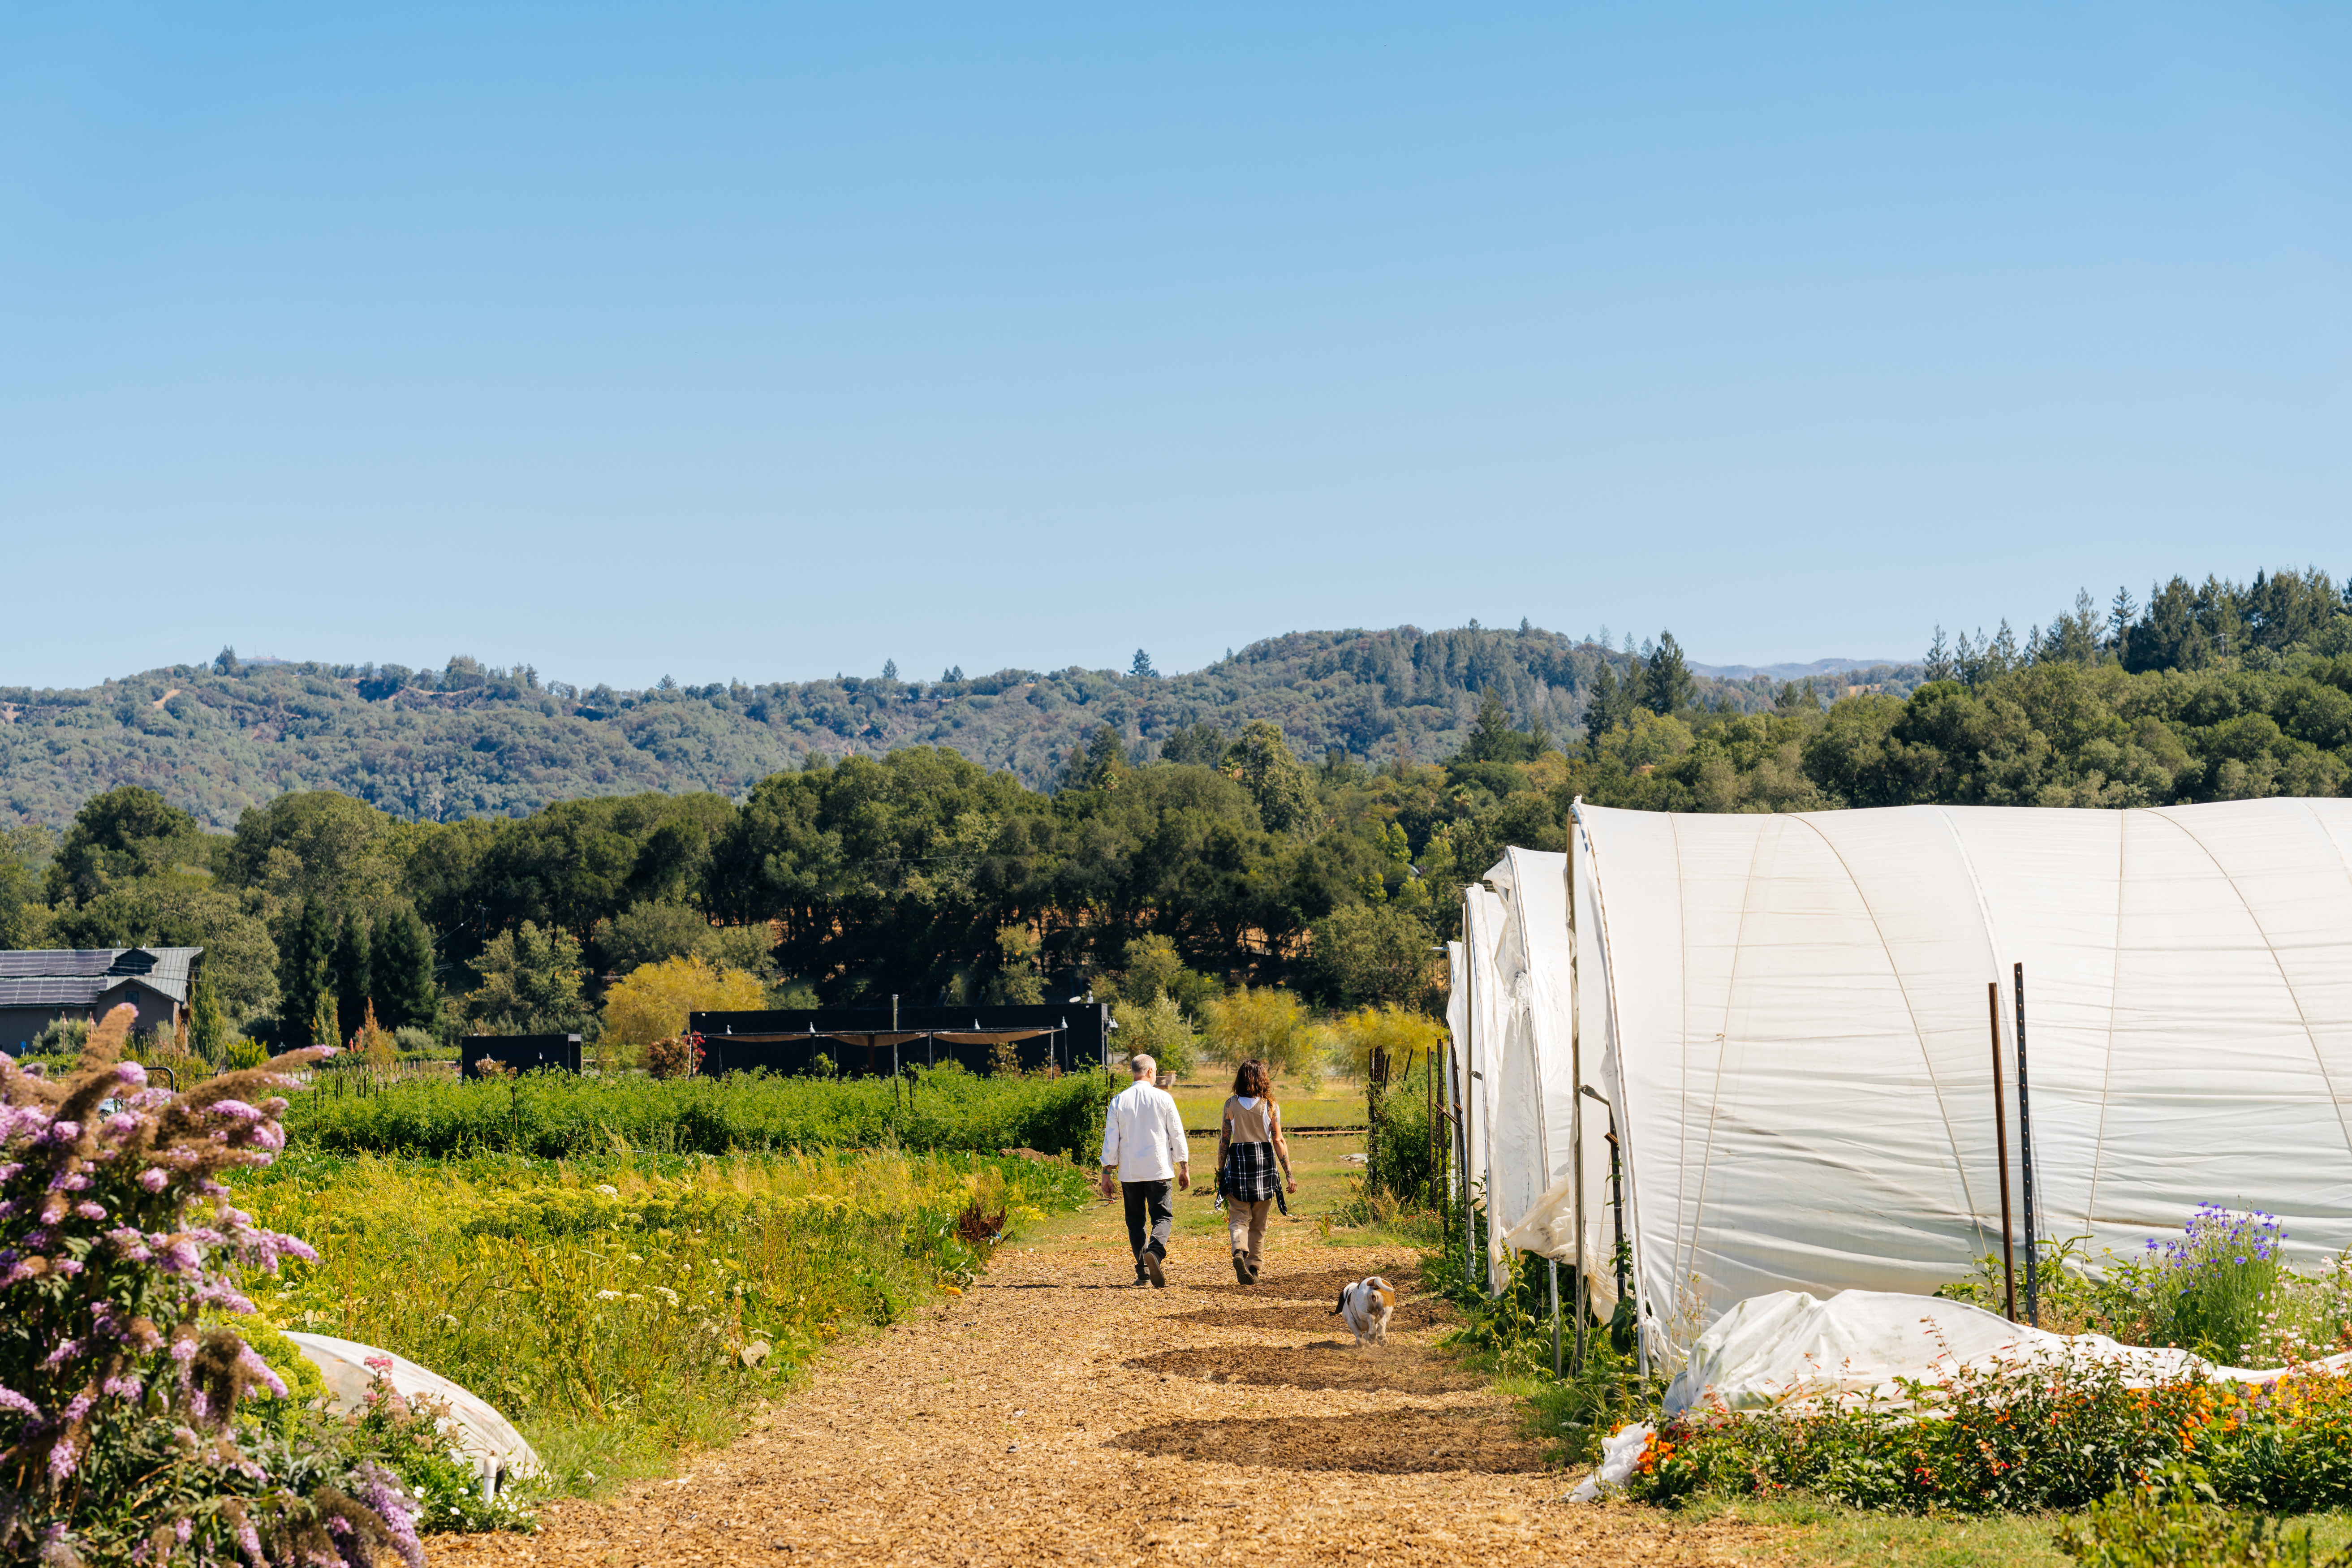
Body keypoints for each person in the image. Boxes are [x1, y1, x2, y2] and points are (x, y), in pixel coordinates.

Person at [1099, 1052, 1190, 1287]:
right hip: (1159, 1170)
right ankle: (1156, 1253)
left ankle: (1143, 1273)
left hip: (1130, 1173)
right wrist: (1184, 1166)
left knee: (1136, 1222)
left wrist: (1106, 1172)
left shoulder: (1119, 1100)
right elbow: (1176, 1134)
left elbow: (1111, 1140)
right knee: (1162, 1217)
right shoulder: (1164, 1099)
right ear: (1150, 1072)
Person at [1216, 1058, 1295, 1284]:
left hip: (1239, 1165)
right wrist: (1289, 1175)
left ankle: (1239, 1251)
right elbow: (1278, 1140)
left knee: (1239, 1217)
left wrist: (1221, 1171)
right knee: (1259, 1224)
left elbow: (1225, 1140)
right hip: (1264, 1165)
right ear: (1263, 1079)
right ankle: (1253, 1269)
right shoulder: (1271, 1105)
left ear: (1240, 1079)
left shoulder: (1230, 1104)